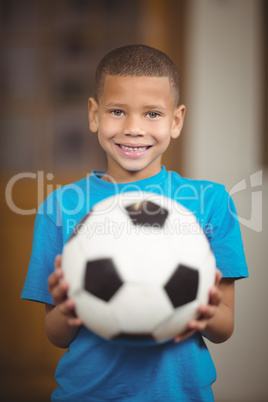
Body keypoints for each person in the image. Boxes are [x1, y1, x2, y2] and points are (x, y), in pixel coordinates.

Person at [21, 44, 248, 401]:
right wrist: (68, 311)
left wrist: (204, 309)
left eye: (153, 114)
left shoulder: (211, 202)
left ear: (176, 121)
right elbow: (56, 334)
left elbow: (224, 327)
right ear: (94, 115)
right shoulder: (60, 207)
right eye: (117, 111)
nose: (133, 128)